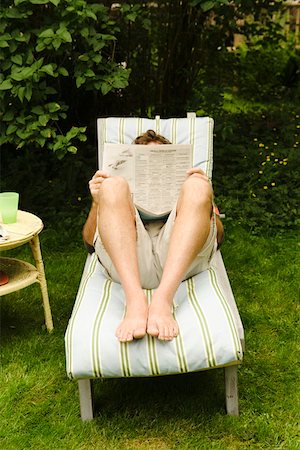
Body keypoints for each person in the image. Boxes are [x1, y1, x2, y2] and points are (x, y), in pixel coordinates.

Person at [82, 130, 224, 343]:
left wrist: (206, 199)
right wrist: (97, 200)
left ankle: (163, 299)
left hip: (180, 260)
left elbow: (218, 238)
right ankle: (135, 299)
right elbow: (89, 243)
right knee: (112, 185)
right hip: (129, 262)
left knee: (198, 186)